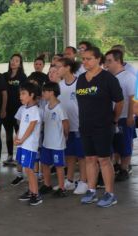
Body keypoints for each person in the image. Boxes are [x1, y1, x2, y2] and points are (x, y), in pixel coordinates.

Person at [76, 47, 124, 207]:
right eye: (83, 59)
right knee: (89, 158)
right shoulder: (81, 79)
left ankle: (110, 194)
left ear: (98, 59)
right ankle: (91, 190)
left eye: (88, 58)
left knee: (104, 159)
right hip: (85, 126)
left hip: (103, 126)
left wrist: (114, 119)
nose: (85, 62)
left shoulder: (108, 78)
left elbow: (119, 101)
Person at [56, 57, 88, 195]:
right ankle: (69, 180)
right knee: (69, 155)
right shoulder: (59, 86)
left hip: (80, 126)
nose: (56, 70)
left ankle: (83, 182)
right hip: (66, 127)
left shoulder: (80, 83)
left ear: (68, 67)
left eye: (58, 67)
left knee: (82, 156)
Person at [105, 49, 136, 182]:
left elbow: (132, 99)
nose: (106, 64)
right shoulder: (109, 76)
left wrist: (130, 117)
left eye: (109, 61)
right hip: (111, 117)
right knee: (115, 144)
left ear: (118, 61)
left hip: (124, 117)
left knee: (124, 145)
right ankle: (117, 166)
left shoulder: (129, 77)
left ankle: (124, 169)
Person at [40, 82, 69, 197]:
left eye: (44, 91)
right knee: (45, 163)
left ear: (51, 93)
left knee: (58, 166)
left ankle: (62, 188)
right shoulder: (46, 106)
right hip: (47, 142)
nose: (42, 94)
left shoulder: (60, 108)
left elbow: (66, 123)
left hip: (57, 143)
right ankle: (47, 185)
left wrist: (65, 136)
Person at [16, 82, 43, 206]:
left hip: (30, 145)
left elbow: (31, 127)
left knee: (29, 169)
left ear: (31, 95)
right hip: (23, 144)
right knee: (27, 169)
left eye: (23, 93)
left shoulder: (34, 110)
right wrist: (17, 137)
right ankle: (31, 191)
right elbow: (22, 126)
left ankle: (36, 194)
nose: (20, 96)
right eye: (20, 93)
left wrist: (22, 139)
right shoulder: (24, 109)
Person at [2, 53, 27, 168]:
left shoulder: (23, 77)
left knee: (18, 133)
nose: (13, 62)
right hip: (7, 110)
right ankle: (10, 155)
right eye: (12, 60)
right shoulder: (4, 76)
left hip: (18, 110)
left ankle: (19, 156)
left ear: (20, 64)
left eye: (16, 60)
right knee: (8, 133)